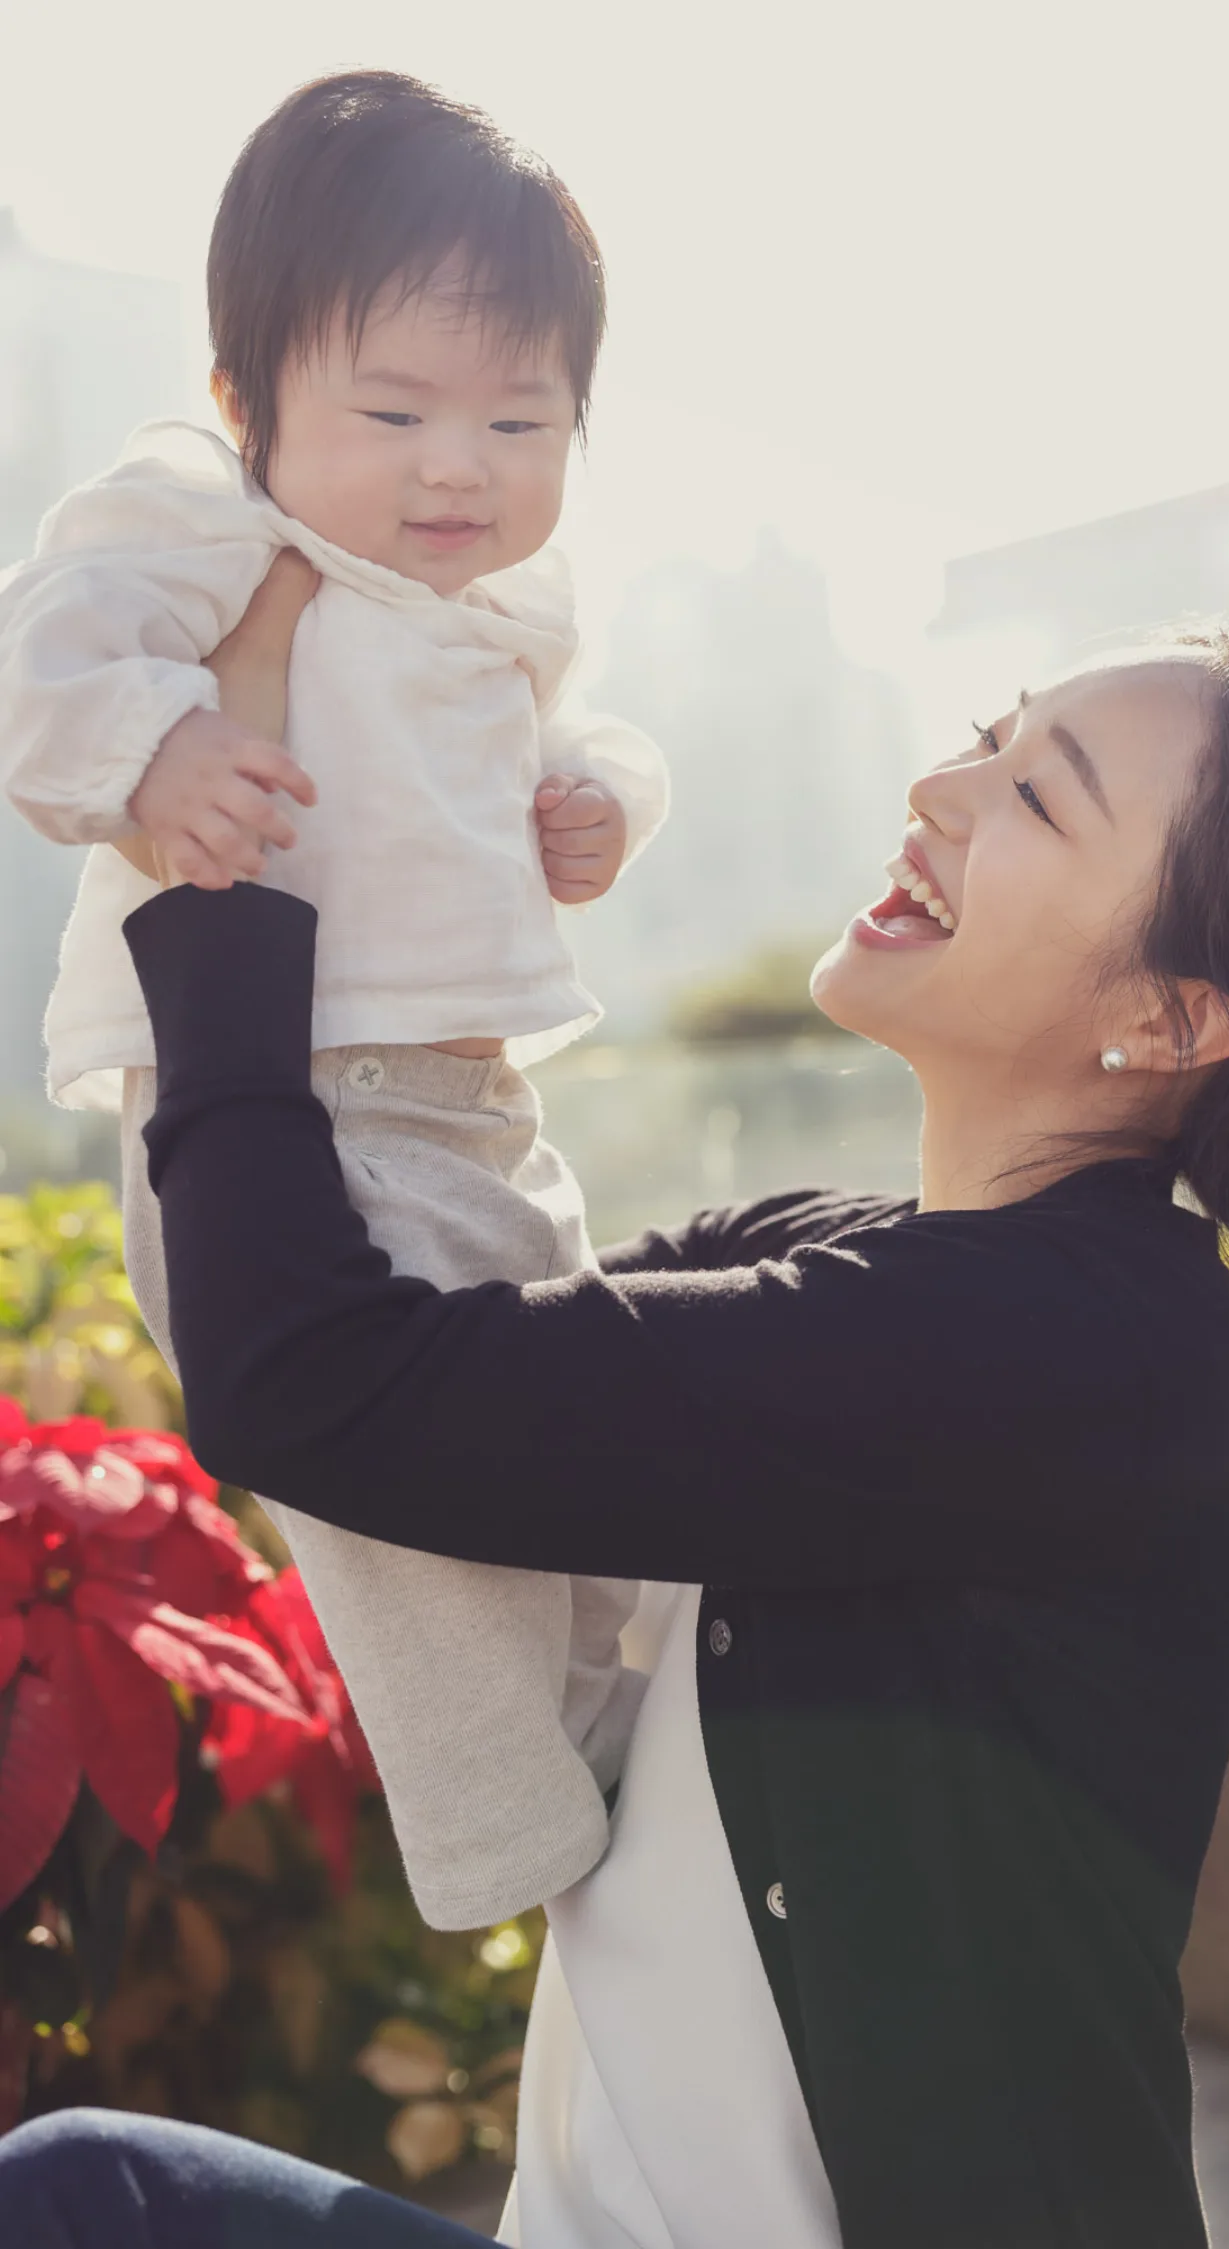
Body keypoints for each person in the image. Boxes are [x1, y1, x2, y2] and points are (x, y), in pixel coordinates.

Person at [3, 581, 1229, 2249]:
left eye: (1037, 795)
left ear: (1168, 1020)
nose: (942, 790)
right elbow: (458, 1319)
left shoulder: (1081, 1357)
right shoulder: (850, 1269)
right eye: (991, 739)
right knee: (81, 2190)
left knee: (76, 2200)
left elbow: (321, 1387)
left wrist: (227, 876)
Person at [0, 71, 671, 1928]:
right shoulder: (204, 514)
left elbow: (582, 726)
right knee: (403, 1511)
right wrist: (157, 751)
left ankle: (610, 1734)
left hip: (474, 1109)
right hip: (266, 1103)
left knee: (573, 1428)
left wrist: (603, 798)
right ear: (243, 402)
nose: (459, 465)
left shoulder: (514, 599)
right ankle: (502, 1830)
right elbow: (38, 663)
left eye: (521, 417)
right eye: (394, 410)